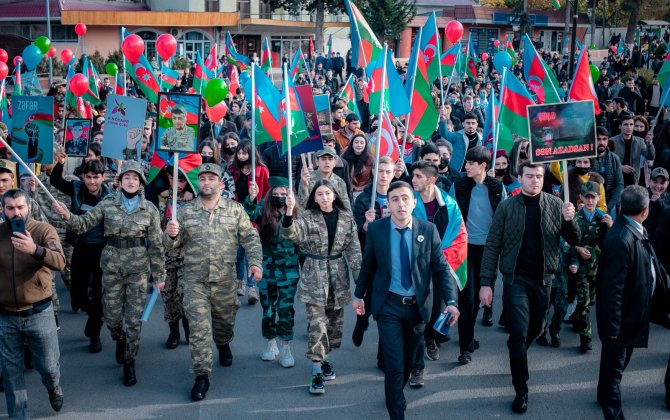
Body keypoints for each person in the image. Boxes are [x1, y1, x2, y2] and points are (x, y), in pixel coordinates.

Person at [352, 180, 460, 420]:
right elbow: (368, 265)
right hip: (388, 305)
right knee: (393, 364)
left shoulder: (427, 230)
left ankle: (394, 393)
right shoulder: (378, 229)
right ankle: (397, 411)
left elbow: (441, 268)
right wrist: (358, 295)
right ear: (388, 205)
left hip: (417, 307)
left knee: (409, 361)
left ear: (414, 202)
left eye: (404, 198)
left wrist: (452, 301)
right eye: (394, 199)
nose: (400, 204)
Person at [53, 160, 165, 387]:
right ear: (119, 181)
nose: (131, 181)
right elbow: (83, 224)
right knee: (112, 318)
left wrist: (160, 277)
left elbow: (155, 245)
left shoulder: (150, 210)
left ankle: (129, 361)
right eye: (127, 177)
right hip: (112, 268)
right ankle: (120, 339)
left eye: (135, 178)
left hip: (138, 270)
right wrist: (67, 215)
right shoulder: (107, 204)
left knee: (133, 319)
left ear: (141, 182)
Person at [479, 161, 580, 413]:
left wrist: (570, 220)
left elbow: (575, 239)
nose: (535, 180)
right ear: (520, 178)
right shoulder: (507, 207)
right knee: (518, 333)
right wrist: (486, 284)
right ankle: (521, 389)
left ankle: (519, 348)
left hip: (544, 279)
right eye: (529, 176)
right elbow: (492, 245)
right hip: (516, 279)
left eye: (539, 176)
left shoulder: (556, 204)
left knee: (536, 328)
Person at [164, 163, 263, 402]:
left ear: (220, 184)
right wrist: (171, 234)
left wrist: (255, 263)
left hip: (225, 281)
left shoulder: (235, 210)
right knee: (198, 330)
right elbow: (172, 248)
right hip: (195, 281)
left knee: (223, 324)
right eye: (202, 178)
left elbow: (250, 237)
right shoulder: (185, 212)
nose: (206, 182)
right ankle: (201, 375)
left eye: (211, 178)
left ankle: (224, 343)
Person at [282, 180, 362, 395]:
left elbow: (354, 252)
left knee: (334, 326)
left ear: (334, 195)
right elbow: (290, 234)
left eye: (328, 193)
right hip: (314, 275)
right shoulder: (307, 217)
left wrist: (361, 287)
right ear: (314, 198)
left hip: (338, 275)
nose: (324, 197)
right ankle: (317, 368)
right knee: (317, 323)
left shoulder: (346, 219)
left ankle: (325, 358)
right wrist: (289, 213)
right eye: (320, 194)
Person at [596, 185, 669, 419]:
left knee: (614, 367)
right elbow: (611, 291)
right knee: (614, 373)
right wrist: (613, 330)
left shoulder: (635, 229)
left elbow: (653, 266)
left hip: (632, 315)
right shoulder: (620, 239)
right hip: (621, 322)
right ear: (645, 211)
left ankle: (603, 394)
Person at [0, 189, 66, 418]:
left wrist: (35, 250)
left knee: (48, 366)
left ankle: (54, 386)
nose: (16, 212)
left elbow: (60, 261)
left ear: (28, 207)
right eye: (10, 208)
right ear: (3, 210)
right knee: (10, 372)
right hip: (6, 316)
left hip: (39, 312)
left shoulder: (43, 230)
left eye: (20, 207)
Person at [409, 161, 466, 380]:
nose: (413, 180)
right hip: (415, 264)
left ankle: (431, 338)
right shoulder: (411, 202)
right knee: (417, 309)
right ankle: (417, 357)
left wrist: (440, 257)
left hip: (442, 262)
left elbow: (459, 235)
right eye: (413, 176)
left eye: (417, 176)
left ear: (431, 180)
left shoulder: (449, 205)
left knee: (438, 307)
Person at [50, 155, 113, 353]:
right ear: (83, 177)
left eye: (96, 177)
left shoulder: (111, 198)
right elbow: (55, 181)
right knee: (77, 295)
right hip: (81, 247)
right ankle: (93, 312)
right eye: (88, 177)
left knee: (99, 294)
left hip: (103, 250)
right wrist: (60, 163)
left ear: (103, 177)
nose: (92, 181)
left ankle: (95, 333)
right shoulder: (76, 188)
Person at [449, 146, 504, 361]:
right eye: (466, 163)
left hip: (489, 249)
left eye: (471, 163)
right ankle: (465, 348)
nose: (466, 167)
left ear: (483, 165)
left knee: (482, 296)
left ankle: (469, 336)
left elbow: (502, 219)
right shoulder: (459, 185)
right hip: (465, 247)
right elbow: (453, 216)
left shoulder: (497, 187)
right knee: (466, 297)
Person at [244, 176, 300, 367]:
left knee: (285, 310)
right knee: (268, 309)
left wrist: (291, 211)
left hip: (288, 272)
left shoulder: (296, 214)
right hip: (267, 269)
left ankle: (286, 347)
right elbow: (249, 214)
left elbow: (302, 242)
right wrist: (250, 198)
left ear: (290, 195)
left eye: (283, 194)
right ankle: (271, 343)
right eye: (275, 194)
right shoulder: (264, 209)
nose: (279, 197)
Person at [350, 156, 395, 356]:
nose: (384, 176)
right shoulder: (364, 199)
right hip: (369, 258)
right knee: (366, 301)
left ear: (394, 173)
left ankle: (383, 355)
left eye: (388, 172)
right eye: (381, 171)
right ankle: (361, 323)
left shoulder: (398, 196)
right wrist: (365, 226)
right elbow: (355, 230)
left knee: (387, 308)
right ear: (374, 173)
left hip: (393, 260)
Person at [158, 165, 196, 350]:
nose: (177, 184)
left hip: (186, 255)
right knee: (169, 295)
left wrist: (191, 192)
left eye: (182, 181)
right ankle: (174, 331)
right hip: (166, 255)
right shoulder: (162, 196)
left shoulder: (193, 197)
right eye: (174, 179)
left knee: (186, 294)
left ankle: (188, 328)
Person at [610, 113, 655, 187]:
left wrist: (649, 144)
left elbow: (650, 157)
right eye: (626, 124)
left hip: (633, 179)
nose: (629, 127)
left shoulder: (640, 141)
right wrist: (621, 167)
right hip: (616, 179)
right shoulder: (612, 141)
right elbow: (608, 161)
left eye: (631, 124)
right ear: (620, 126)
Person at [594, 126, 624, 214]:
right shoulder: (587, 159)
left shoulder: (614, 158)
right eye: (598, 139)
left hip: (611, 204)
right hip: (591, 203)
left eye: (604, 139)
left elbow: (620, 184)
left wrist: (609, 207)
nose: (601, 142)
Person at [340, 132, 374, 200]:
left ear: (365, 145)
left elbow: (374, 180)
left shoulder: (370, 160)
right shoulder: (344, 159)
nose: (359, 145)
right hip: (346, 193)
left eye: (362, 143)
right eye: (356, 142)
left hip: (363, 193)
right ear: (352, 145)